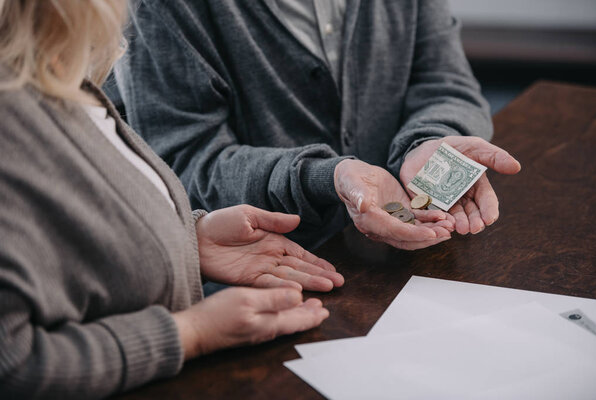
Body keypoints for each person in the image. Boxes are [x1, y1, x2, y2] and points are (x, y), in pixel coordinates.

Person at [0, 1, 343, 398]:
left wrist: (188, 239)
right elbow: (14, 364)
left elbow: (65, 243)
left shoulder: (59, 77)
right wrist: (190, 333)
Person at [113, 0, 521, 250]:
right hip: (273, 272)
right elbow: (182, 161)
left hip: (413, 263)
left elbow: (446, 82)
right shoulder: (159, 7)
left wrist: (429, 141)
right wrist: (324, 178)